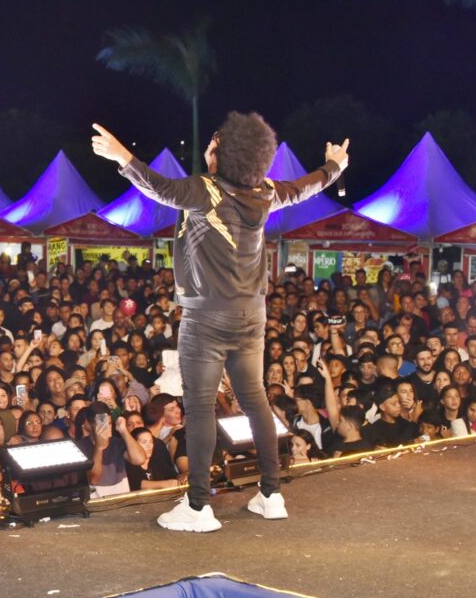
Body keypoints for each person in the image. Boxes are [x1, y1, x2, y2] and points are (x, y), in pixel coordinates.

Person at [92, 112, 349, 532]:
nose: (210, 145)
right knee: (255, 400)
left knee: (200, 406)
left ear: (222, 152)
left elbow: (159, 188)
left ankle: (197, 508)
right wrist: (335, 166)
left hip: (206, 317)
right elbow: (307, 187)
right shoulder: (265, 192)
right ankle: (271, 494)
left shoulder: (205, 191)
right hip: (251, 315)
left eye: (216, 141)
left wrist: (122, 156)